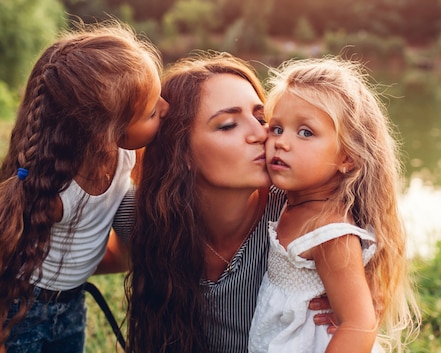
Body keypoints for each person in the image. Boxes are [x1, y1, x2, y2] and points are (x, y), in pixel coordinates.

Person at [0, 20, 169, 353]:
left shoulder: (124, 158)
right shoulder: (55, 192)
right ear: (106, 132)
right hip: (22, 312)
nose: (165, 108)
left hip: (72, 303)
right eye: (152, 111)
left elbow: (116, 231)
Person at [121, 52, 334, 353]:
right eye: (228, 125)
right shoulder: (145, 214)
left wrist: (359, 299)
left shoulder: (302, 216)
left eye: (261, 118)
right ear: (180, 152)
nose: (261, 133)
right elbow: (93, 256)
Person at [247, 58, 420, 353]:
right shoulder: (286, 202)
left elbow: (359, 324)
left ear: (347, 157)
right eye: (276, 128)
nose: (281, 142)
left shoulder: (329, 233)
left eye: (305, 132)